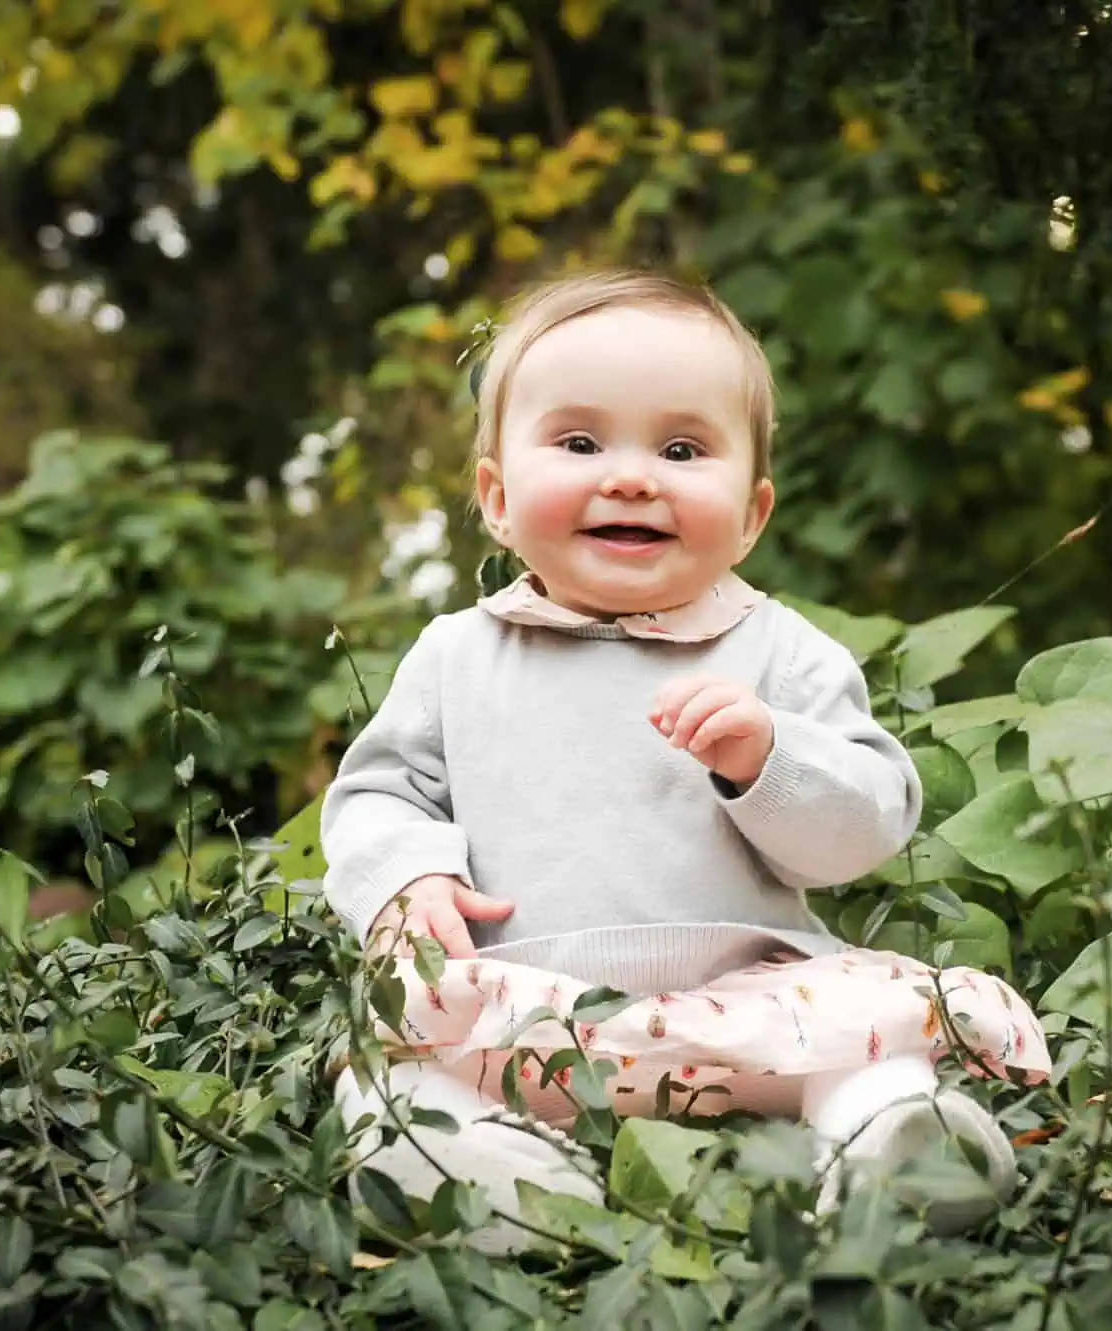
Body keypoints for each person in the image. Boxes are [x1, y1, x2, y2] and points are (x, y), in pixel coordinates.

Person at [318, 268, 1051, 1252]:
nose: (631, 478)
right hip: (518, 1011)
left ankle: (885, 1138)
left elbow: (865, 826)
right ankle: (495, 1178)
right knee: (394, 1080)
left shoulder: (780, 652)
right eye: (580, 443)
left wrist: (767, 756)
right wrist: (409, 878)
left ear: (750, 514)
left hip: (752, 1006)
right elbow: (377, 793)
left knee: (864, 1053)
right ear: (496, 497)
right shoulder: (457, 655)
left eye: (680, 449)